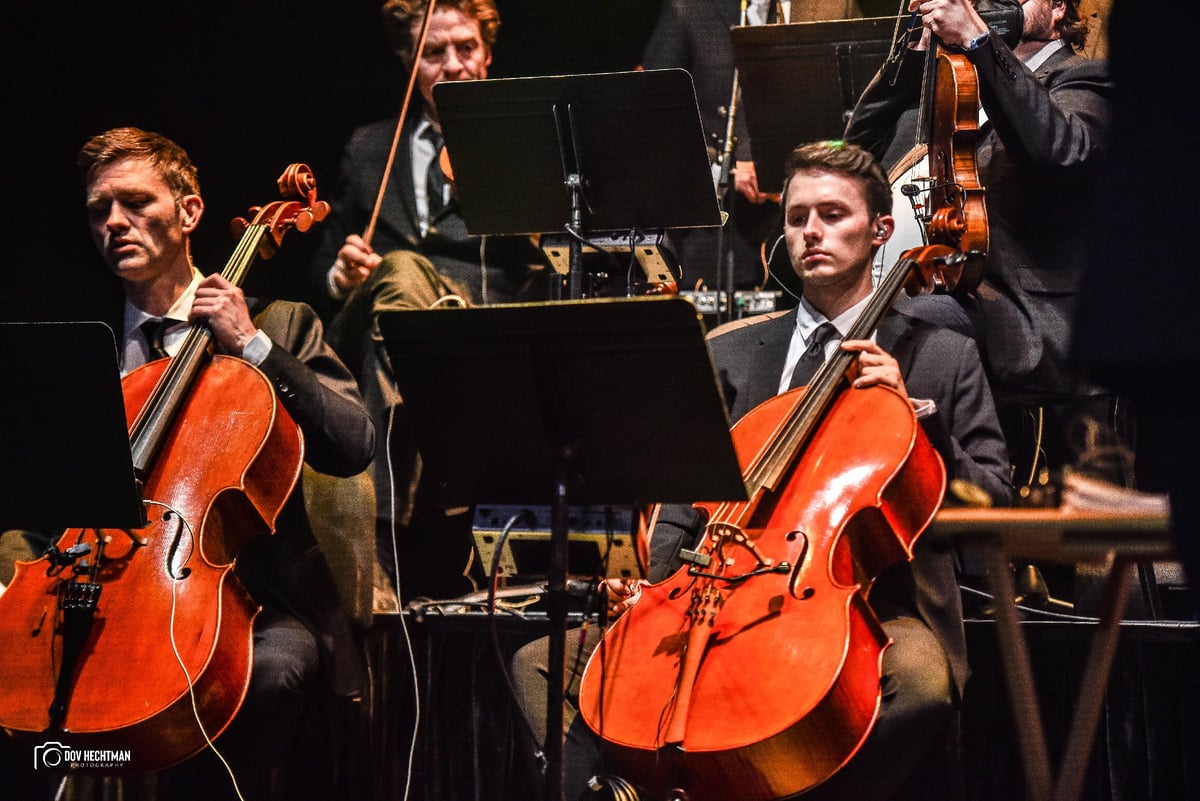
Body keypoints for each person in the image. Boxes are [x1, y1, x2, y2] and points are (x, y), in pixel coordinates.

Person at [510, 140, 1013, 801]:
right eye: (798, 216)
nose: (811, 232)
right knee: (540, 664)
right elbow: (680, 498)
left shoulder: (940, 353)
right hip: (711, 598)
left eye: (833, 214)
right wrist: (660, 594)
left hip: (868, 605)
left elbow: (995, 496)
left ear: (881, 231)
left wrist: (923, 425)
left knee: (920, 684)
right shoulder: (732, 351)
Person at [69, 126, 374, 800]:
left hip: (251, 603)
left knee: (267, 673)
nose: (115, 221)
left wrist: (254, 346)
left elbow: (354, 442)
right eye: (99, 210)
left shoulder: (280, 322)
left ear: (190, 213)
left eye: (135, 202)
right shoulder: (83, 349)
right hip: (104, 597)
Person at [307, 0, 548, 603]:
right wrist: (340, 274)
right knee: (400, 273)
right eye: (434, 53)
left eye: (465, 48)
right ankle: (382, 538)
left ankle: (380, 534)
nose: (454, 65)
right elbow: (322, 271)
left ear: (488, 54)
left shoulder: (524, 145)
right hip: (378, 326)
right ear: (409, 63)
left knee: (412, 296)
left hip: (474, 335)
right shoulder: (369, 150)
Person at [843, 0, 1117, 491]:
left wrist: (979, 40)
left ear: (1058, 9)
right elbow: (855, 156)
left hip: (1037, 318)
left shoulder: (1083, 79)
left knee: (910, 327)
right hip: (962, 294)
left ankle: (960, 495)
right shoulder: (958, 89)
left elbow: (1060, 153)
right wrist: (911, 52)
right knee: (846, 323)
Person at [640, 0, 863, 306]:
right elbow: (652, 116)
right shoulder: (690, 7)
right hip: (723, 236)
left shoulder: (835, 6)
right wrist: (726, 165)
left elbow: (862, 110)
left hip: (816, 232)